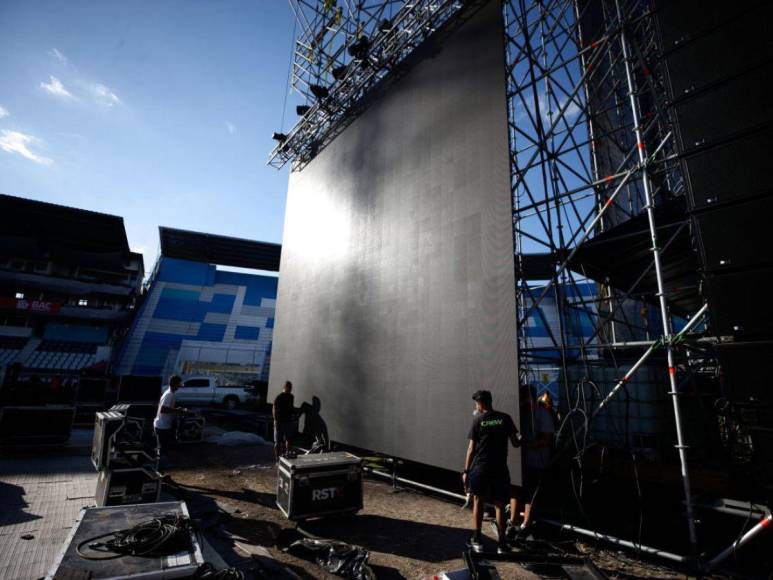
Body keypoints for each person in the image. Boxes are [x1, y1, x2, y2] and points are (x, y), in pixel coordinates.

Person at [462, 389, 520, 554]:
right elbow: (516, 443)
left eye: (476, 403)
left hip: (480, 468)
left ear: (480, 404)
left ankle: (478, 540)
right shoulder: (505, 418)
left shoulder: (477, 420)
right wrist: (524, 439)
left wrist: (466, 470)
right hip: (500, 468)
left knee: (478, 502)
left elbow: (471, 449)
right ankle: (502, 544)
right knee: (500, 505)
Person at [507, 385, 556, 539]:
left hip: (537, 460)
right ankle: (514, 522)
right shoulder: (524, 413)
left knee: (531, 493)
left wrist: (528, 444)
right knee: (518, 489)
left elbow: (547, 439)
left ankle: (526, 524)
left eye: (523, 397)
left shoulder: (542, 414)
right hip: (524, 459)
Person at [153, 375, 185, 472]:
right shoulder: (169, 394)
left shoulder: (168, 393)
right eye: (178, 384)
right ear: (175, 384)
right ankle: (160, 467)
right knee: (163, 447)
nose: (179, 387)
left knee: (162, 446)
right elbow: (163, 409)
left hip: (161, 424)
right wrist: (177, 411)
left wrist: (176, 410)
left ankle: (160, 465)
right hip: (162, 425)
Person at [273, 380, 295, 461]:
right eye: (288, 387)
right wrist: (275, 421)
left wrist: (294, 415)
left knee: (289, 439)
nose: (290, 389)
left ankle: (287, 455)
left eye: (291, 387)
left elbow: (291, 408)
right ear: (284, 387)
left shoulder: (291, 396)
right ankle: (277, 459)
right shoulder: (279, 397)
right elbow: (274, 408)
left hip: (288, 421)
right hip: (280, 422)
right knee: (278, 442)